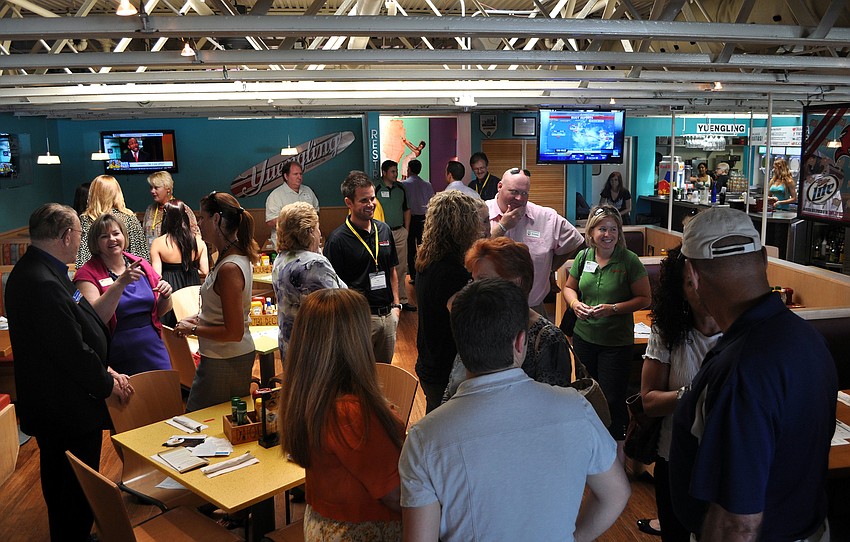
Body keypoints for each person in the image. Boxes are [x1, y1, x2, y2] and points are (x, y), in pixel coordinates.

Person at [399, 278, 630, 542]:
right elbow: (616, 494)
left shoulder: (424, 438)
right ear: (521, 342)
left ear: (459, 344)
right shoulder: (576, 408)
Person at [669, 207, 837, 542]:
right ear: (763, 259)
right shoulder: (808, 339)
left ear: (694, 274)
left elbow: (738, 522)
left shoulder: (742, 373)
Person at [6, 204, 132, 541]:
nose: (79, 241)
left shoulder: (45, 269)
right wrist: (107, 382)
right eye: (78, 234)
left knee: (70, 484)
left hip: (64, 399)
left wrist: (103, 365)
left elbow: (77, 326)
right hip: (63, 407)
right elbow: (70, 351)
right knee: (70, 486)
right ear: (65, 236)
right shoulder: (40, 281)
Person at [280, 288, 404, 540]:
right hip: (360, 530)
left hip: (322, 524)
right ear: (354, 342)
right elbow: (397, 496)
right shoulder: (352, 415)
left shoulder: (308, 398)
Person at [636, 245, 721, 542]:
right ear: (680, 290)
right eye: (690, 283)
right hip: (676, 457)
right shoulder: (668, 331)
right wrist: (695, 393)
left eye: (706, 280)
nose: (700, 290)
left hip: (725, 458)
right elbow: (649, 402)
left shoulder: (744, 332)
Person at [442, 237, 573, 401]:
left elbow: (554, 407)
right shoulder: (477, 325)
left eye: (484, 280)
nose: (474, 289)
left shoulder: (548, 338)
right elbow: (452, 386)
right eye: (473, 280)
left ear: (516, 282)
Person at [562, 205, 650, 446]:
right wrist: (575, 304)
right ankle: (587, 443)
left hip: (615, 342)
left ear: (619, 232)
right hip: (584, 338)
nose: (608, 234)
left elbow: (645, 299)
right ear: (591, 232)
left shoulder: (629, 260)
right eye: (602, 229)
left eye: (613, 229)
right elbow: (568, 288)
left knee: (612, 399)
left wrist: (613, 309)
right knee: (585, 393)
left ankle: (614, 450)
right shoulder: (584, 257)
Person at [174, 192, 259, 412]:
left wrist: (193, 328)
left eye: (202, 218)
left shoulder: (230, 267)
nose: (198, 224)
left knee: (198, 420)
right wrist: (199, 318)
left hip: (227, 359)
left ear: (217, 219)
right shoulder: (227, 257)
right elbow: (222, 312)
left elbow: (234, 332)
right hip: (221, 356)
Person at [75, 213, 173, 375]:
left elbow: (161, 310)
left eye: (116, 233)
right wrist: (120, 283)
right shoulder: (87, 274)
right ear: (96, 242)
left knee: (164, 394)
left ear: (124, 236)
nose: (112, 239)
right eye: (104, 236)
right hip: (117, 352)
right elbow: (94, 319)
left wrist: (166, 296)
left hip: (153, 347)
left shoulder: (141, 264)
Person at [413, 190, 481, 413]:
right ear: (462, 227)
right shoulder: (452, 273)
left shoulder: (426, 259)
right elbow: (465, 326)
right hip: (445, 369)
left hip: (429, 360)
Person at [324, 171, 401, 364]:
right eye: (364, 200)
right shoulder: (337, 240)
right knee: (360, 376)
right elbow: (334, 289)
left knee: (386, 373)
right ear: (349, 203)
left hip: (388, 315)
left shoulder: (383, 230)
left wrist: (396, 307)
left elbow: (392, 269)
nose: (371, 204)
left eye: (373, 198)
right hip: (360, 319)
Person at [488, 167, 584, 316]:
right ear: (500, 186)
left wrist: (550, 267)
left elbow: (574, 240)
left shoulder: (546, 217)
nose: (519, 198)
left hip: (532, 308)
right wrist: (502, 226)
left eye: (524, 193)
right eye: (514, 192)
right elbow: (473, 255)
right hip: (489, 310)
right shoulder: (481, 212)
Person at [272, 201, 346, 356]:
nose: (320, 234)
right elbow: (341, 300)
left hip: (290, 343)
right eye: (318, 228)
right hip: (316, 349)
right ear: (310, 231)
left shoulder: (281, 259)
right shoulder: (314, 264)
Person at [150, 201, 209, 327]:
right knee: (193, 324)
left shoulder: (158, 243)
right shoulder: (198, 241)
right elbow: (205, 271)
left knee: (172, 328)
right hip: (192, 285)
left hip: (170, 288)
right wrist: (190, 270)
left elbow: (156, 276)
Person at [76, 174, 149, 268]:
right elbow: (141, 257)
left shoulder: (87, 219)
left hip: (97, 274)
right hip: (128, 274)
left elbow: (83, 258)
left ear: (93, 193)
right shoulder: (130, 218)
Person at [374, 160, 414, 311]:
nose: (395, 174)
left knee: (402, 267)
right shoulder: (376, 188)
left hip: (399, 232)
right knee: (383, 266)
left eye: (396, 171)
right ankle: (387, 300)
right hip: (382, 233)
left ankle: (402, 300)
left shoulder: (401, 188)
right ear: (384, 172)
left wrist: (407, 230)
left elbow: (407, 210)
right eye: (392, 171)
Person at [265, 161, 319, 248]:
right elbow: (270, 221)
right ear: (286, 176)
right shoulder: (275, 195)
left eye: (300, 174)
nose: (299, 177)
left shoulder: (308, 191)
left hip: (307, 242)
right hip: (285, 244)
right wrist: (294, 221)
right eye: (295, 174)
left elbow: (316, 212)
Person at [142, 170, 199, 248]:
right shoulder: (150, 210)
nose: (152, 191)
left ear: (168, 189)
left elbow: (195, 236)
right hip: (151, 257)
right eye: (151, 187)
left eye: (156, 188)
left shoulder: (182, 209)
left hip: (173, 257)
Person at [401, 159, 434, 284]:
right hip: (424, 219)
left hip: (409, 219)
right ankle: (424, 272)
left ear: (409, 169)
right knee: (424, 246)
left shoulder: (404, 184)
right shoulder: (428, 184)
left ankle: (414, 275)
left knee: (410, 248)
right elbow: (432, 202)